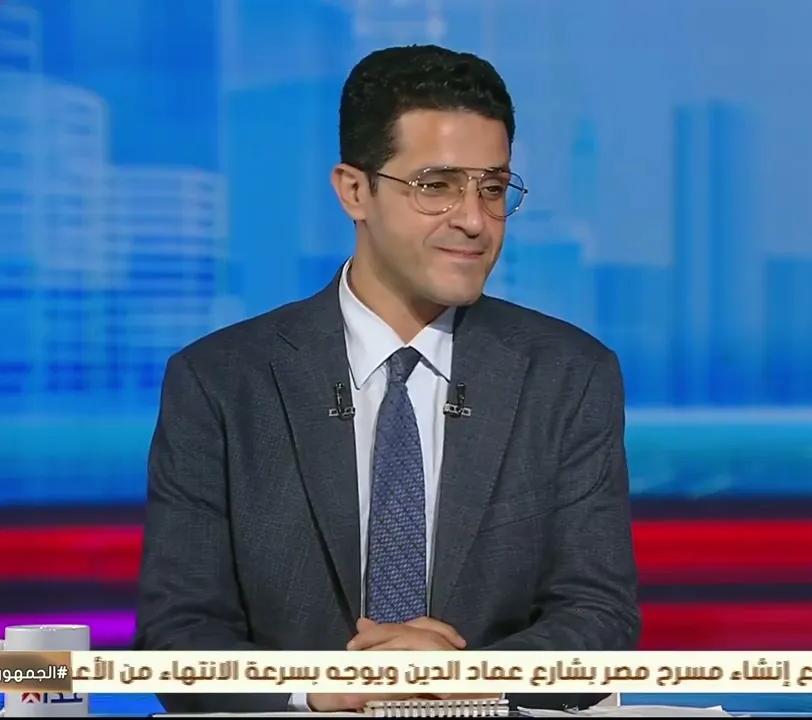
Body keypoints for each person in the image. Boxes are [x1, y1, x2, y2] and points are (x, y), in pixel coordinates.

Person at [133, 44, 640, 714]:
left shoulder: (569, 375)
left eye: (492, 189)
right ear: (354, 191)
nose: (474, 219)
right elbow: (178, 636)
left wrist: (467, 677)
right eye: (436, 185)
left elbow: (599, 620)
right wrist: (320, 689)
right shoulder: (220, 382)